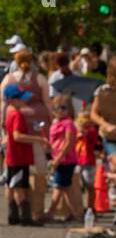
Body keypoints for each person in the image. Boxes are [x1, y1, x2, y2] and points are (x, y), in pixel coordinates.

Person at [3, 84, 45, 226]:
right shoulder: (17, 115)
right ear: (11, 100)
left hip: (12, 156)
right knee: (20, 187)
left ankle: (13, 216)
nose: (23, 101)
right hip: (18, 157)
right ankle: (25, 217)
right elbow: (17, 136)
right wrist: (38, 139)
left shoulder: (10, 114)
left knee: (11, 186)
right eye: (20, 98)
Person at [46, 94, 79, 221]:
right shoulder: (56, 123)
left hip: (66, 160)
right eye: (56, 108)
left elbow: (69, 143)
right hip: (58, 158)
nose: (60, 110)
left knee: (59, 186)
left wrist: (58, 159)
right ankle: (74, 213)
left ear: (69, 109)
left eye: (63, 107)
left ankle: (51, 212)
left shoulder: (69, 123)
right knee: (64, 187)